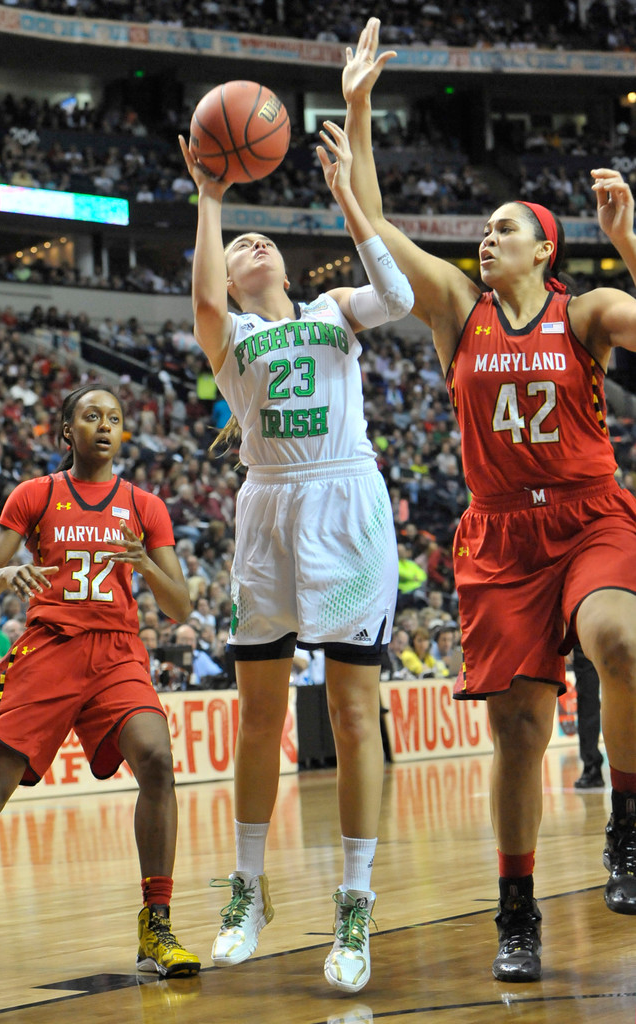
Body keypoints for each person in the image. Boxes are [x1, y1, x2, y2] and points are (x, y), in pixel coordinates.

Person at [343, 17, 636, 985]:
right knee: (513, 729)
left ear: (544, 251)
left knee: (621, 643)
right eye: (484, 226)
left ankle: (624, 829)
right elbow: (381, 228)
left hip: (589, 512)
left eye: (504, 225)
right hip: (498, 530)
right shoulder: (454, 312)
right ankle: (516, 909)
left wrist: (629, 244)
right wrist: (356, 108)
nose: (485, 233)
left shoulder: (584, 311)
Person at [178, 114, 414, 994]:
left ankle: (355, 899)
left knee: (354, 717)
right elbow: (202, 302)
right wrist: (209, 200)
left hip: (345, 507)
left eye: (261, 236)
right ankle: (247, 888)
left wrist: (349, 199)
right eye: (238, 245)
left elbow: (393, 296)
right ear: (235, 281)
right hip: (269, 515)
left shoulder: (331, 311)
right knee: (259, 718)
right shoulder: (231, 337)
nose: (253, 242)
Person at [0, 384, 200, 979]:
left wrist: (146, 564)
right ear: (67, 431)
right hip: (49, 651)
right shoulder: (34, 494)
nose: (104, 425)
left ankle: (157, 924)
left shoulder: (146, 506)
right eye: (91, 416)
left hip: (118, 653)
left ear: (122, 434)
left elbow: (181, 609)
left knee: (158, 762)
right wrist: (10, 570)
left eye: (114, 418)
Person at [572, 643, 604, 789]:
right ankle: (591, 766)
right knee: (588, 697)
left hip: (584, 631)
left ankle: (592, 767)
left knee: (588, 698)